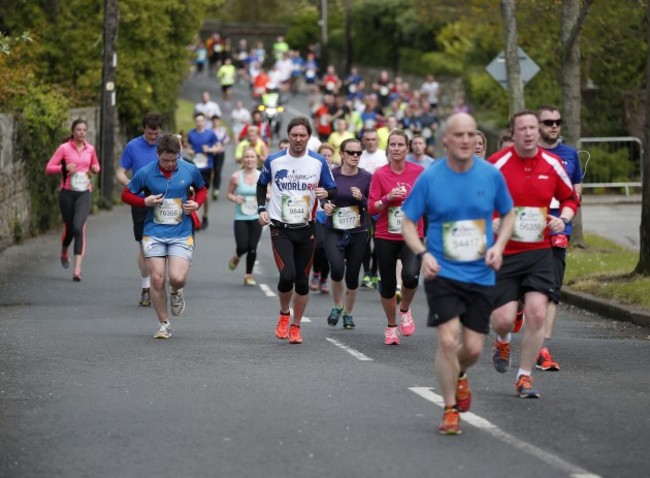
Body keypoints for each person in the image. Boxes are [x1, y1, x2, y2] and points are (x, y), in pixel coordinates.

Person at [401, 112, 514, 435]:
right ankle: (450, 409)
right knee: (448, 341)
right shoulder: (430, 177)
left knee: (474, 349)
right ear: (446, 140)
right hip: (443, 272)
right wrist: (422, 253)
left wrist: (499, 246)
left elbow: (508, 215)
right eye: (459, 135)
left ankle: (459, 374)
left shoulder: (490, 175)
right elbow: (409, 221)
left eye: (470, 135)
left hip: (480, 273)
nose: (466, 140)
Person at [487, 110, 579, 398]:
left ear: (538, 132)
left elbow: (569, 197)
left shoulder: (553, 163)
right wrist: (491, 220)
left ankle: (524, 376)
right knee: (503, 318)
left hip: (539, 251)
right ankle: (502, 340)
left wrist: (562, 219)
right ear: (513, 134)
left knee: (537, 313)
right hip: (506, 251)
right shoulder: (497, 163)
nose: (528, 133)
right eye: (521, 129)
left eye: (531, 128)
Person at [257, 116, 337, 344]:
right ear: (289, 136)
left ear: (308, 137)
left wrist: (326, 196)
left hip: (307, 228)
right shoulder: (274, 160)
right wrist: (262, 208)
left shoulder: (319, 162)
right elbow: (261, 184)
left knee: (302, 281)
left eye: (303, 135)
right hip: (280, 228)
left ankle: (296, 325)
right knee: (287, 275)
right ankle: (284, 313)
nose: (298, 139)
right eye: (294, 135)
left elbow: (332, 189)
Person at [121, 133, 207, 339]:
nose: (170, 164)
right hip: (154, 232)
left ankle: (177, 291)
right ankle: (164, 324)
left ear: (179, 155)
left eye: (173, 159)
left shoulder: (189, 169)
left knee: (177, 278)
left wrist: (197, 204)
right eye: (165, 160)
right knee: (157, 280)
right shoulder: (145, 173)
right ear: (158, 154)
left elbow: (202, 189)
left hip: (181, 233)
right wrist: (145, 202)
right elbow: (126, 194)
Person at [536, 105, 583, 371]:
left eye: (558, 122)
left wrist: (573, 203)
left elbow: (576, 188)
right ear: (538, 125)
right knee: (528, 289)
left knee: (552, 290)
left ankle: (543, 348)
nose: (554, 126)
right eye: (548, 122)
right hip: (529, 231)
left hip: (558, 230)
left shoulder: (570, 154)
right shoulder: (530, 154)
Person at [368, 129, 424, 345]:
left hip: (411, 234)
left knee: (411, 276)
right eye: (393, 145)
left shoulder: (419, 172)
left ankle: (405, 310)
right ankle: (391, 328)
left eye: (401, 145)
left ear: (407, 148)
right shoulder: (380, 174)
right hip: (385, 234)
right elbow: (372, 207)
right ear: (387, 148)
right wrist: (388, 198)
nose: (397, 149)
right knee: (388, 284)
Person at [322, 138, 372, 329]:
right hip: (334, 229)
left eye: (358, 153)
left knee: (352, 276)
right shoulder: (331, 175)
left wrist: (362, 198)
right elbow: (323, 196)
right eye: (351, 152)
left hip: (357, 231)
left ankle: (348, 314)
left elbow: (373, 204)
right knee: (336, 269)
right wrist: (324, 205)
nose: (355, 156)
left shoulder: (367, 177)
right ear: (341, 154)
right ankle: (337, 305)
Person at [116, 112, 164, 305]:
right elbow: (120, 171)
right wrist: (130, 184)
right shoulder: (133, 146)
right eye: (150, 133)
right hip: (141, 202)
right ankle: (146, 286)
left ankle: (160, 281)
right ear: (144, 129)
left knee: (164, 245)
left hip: (164, 202)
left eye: (156, 134)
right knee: (145, 246)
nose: (153, 138)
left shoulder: (165, 145)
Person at [45, 119, 101, 282]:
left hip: (84, 193)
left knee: (79, 227)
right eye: (78, 130)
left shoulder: (90, 149)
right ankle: (64, 251)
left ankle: (77, 269)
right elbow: (49, 168)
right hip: (67, 193)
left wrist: (95, 168)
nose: (82, 133)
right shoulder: (64, 148)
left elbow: (95, 165)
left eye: (84, 130)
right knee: (69, 228)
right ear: (73, 131)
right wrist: (64, 168)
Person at [226, 147, 264, 286]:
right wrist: (235, 198)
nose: (249, 160)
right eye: (246, 157)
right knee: (243, 247)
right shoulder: (236, 176)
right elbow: (228, 194)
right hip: (241, 216)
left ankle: (248, 275)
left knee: (252, 247)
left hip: (256, 216)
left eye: (252, 157)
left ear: (257, 159)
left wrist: (265, 197)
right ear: (243, 159)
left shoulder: (262, 176)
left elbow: (270, 192)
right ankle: (237, 255)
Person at [358, 128, 387, 288]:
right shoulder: (359, 156)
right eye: (367, 139)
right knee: (365, 239)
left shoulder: (384, 156)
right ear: (363, 141)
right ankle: (367, 272)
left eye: (373, 139)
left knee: (380, 240)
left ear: (378, 140)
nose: (370, 142)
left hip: (382, 205)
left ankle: (375, 271)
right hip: (363, 204)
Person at [309, 143, 335, 294]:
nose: (326, 158)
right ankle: (316, 273)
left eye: (329, 155)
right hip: (317, 214)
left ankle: (324, 279)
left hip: (334, 216)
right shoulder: (313, 172)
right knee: (318, 246)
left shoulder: (337, 173)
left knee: (328, 250)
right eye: (323, 155)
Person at [186, 113, 220, 229]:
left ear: (204, 122)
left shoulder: (210, 133)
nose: (199, 123)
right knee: (193, 192)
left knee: (204, 193)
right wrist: (189, 150)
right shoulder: (191, 133)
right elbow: (186, 146)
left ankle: (205, 215)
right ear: (195, 122)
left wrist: (210, 149)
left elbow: (219, 148)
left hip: (206, 166)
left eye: (201, 121)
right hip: (194, 167)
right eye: (197, 121)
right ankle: (197, 217)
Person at [210, 114, 231, 201]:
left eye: (217, 120)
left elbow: (227, 138)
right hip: (211, 153)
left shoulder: (222, 130)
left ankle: (216, 189)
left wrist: (223, 143)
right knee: (210, 170)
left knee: (218, 170)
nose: (215, 122)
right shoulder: (209, 131)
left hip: (220, 153)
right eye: (214, 121)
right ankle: (208, 187)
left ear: (219, 121)